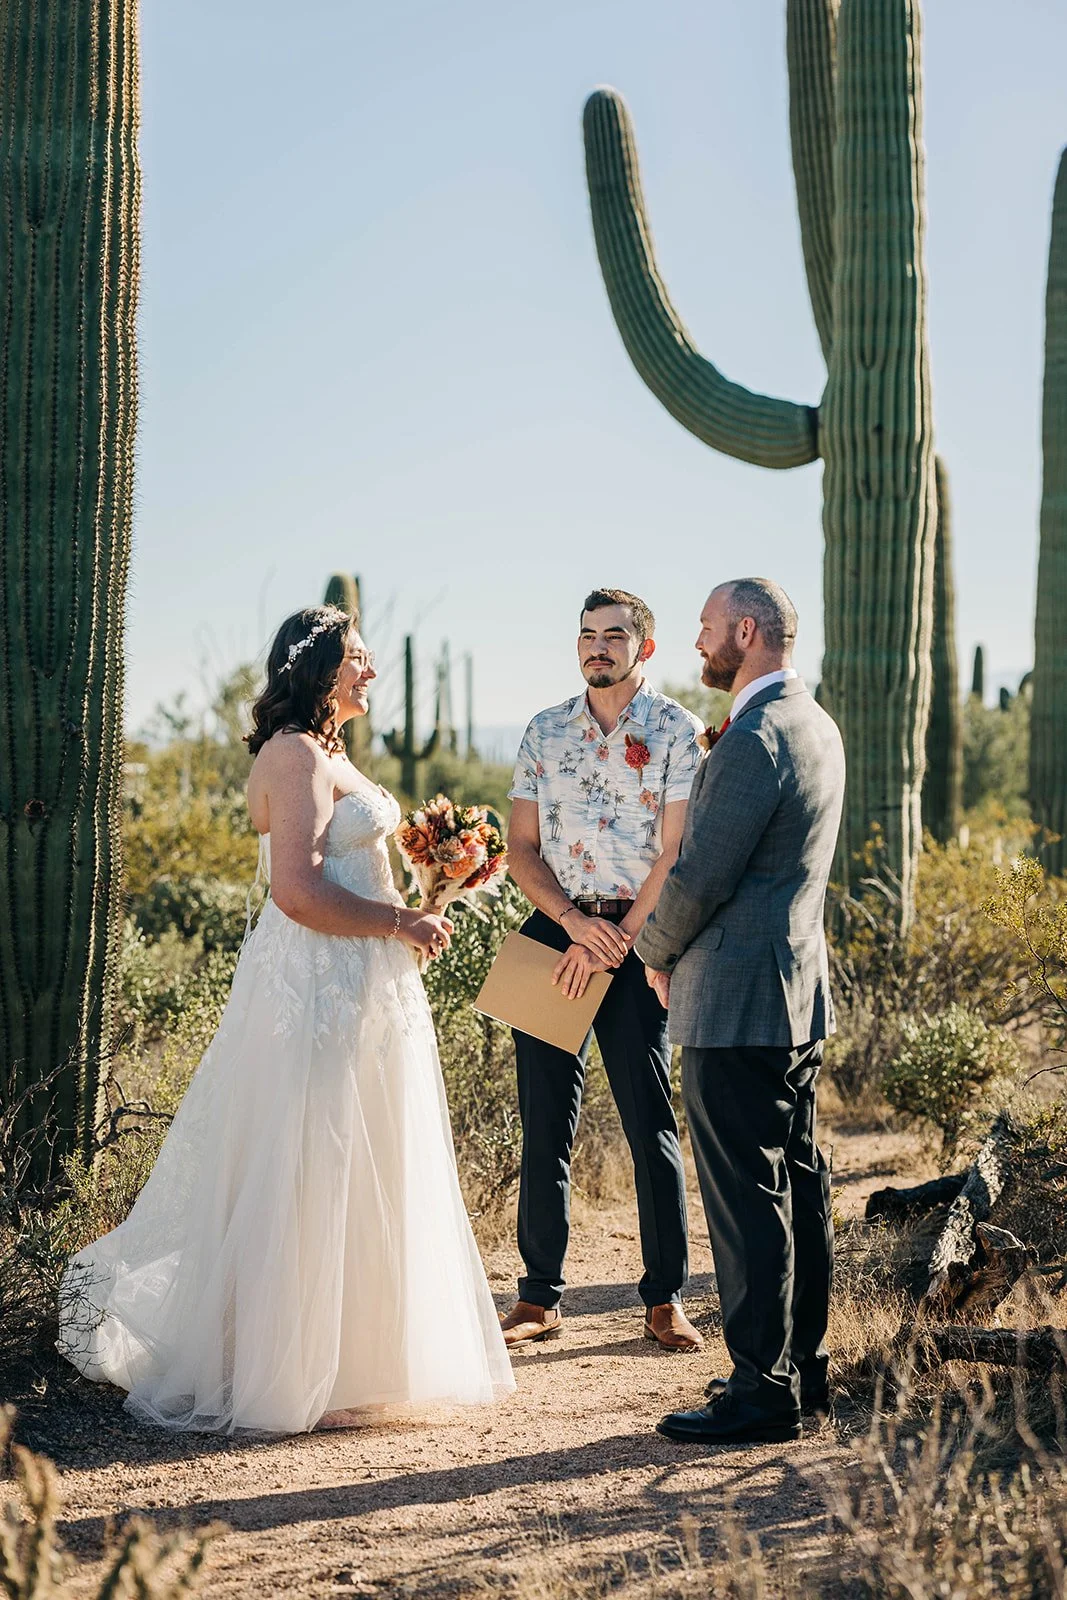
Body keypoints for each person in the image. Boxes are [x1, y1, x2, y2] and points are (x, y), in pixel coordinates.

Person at [57, 604, 515, 1433]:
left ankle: (355, 1359)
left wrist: (434, 889)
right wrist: (400, 924)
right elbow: (297, 894)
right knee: (312, 1157)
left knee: (364, 1152)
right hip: (316, 983)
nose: (370, 672)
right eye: (359, 659)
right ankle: (290, 1369)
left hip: (362, 978)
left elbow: (353, 874)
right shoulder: (294, 752)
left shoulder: (331, 752)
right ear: (319, 671)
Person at [636, 578, 845, 1445]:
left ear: (747, 631)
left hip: (735, 1001)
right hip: (794, 992)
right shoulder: (815, 723)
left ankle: (761, 1390)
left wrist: (651, 954)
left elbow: (700, 875)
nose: (698, 644)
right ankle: (800, 1368)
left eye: (708, 628)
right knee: (796, 1182)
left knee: (746, 1197)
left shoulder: (755, 738)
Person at [502, 588, 706, 1352]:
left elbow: (674, 851)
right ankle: (538, 1299)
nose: (597, 647)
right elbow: (520, 849)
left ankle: (663, 1300)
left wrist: (617, 935)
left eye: (614, 636)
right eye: (587, 635)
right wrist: (573, 926)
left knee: (647, 1118)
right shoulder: (543, 730)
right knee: (543, 1120)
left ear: (643, 648)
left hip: (636, 937)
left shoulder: (677, 730)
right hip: (555, 933)